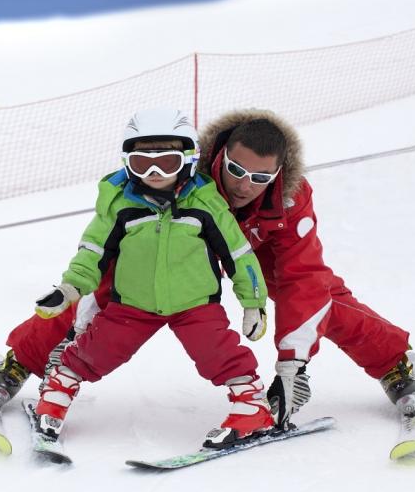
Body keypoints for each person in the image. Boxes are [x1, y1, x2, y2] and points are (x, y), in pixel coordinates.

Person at [0, 108, 415, 437]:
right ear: (220, 156)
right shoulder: (187, 177)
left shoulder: (289, 198)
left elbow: (303, 277)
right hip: (174, 243)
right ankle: (20, 361)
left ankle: (393, 364)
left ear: (279, 174)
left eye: (261, 177)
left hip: (254, 254)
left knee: (319, 296)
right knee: (106, 290)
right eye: (235, 169)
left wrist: (293, 365)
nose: (245, 184)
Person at [30, 107, 274, 448]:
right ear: (128, 162)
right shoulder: (120, 204)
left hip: (194, 303)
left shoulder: (205, 203)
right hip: (133, 303)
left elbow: (239, 254)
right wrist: (70, 288)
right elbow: (93, 251)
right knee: (96, 351)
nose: (156, 173)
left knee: (218, 352)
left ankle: (251, 406)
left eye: (167, 163)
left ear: (188, 160)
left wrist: (254, 303)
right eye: (143, 164)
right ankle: (57, 391)